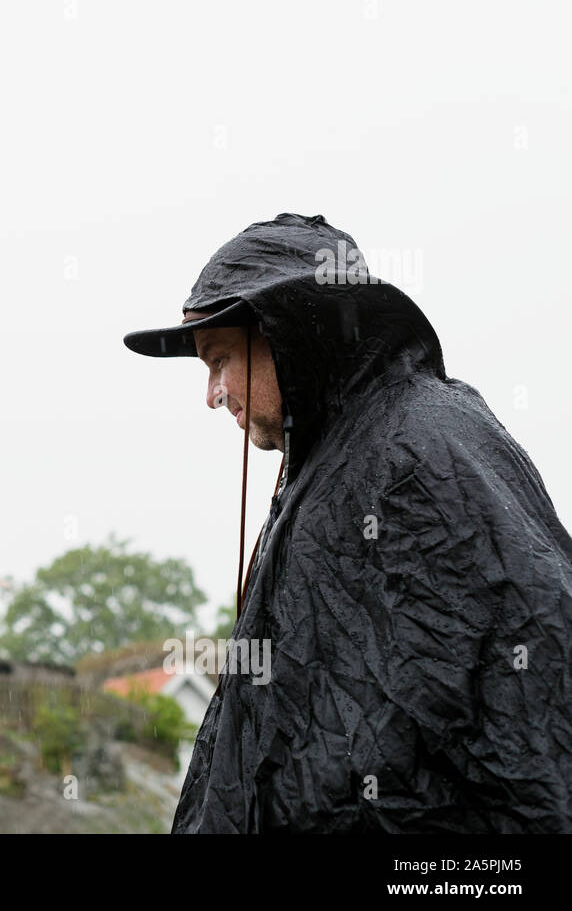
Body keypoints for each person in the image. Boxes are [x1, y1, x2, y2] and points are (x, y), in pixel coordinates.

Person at [123, 212, 572, 832]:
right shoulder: (321, 472)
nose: (212, 393)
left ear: (289, 333)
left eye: (220, 359)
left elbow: (531, 690)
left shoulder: (423, 447)